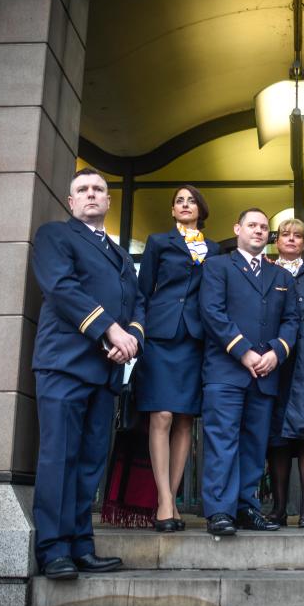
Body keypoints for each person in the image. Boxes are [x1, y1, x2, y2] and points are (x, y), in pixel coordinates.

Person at [31, 167, 144, 579]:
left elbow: (137, 304)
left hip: (104, 372)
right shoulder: (54, 236)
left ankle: (81, 545)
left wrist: (130, 335)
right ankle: (53, 550)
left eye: (99, 189)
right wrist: (109, 329)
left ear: (109, 201)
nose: (92, 194)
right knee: (59, 458)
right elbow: (61, 288)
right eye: (83, 189)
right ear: (71, 201)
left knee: (89, 463)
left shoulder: (117, 253)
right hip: (64, 364)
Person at [199, 208, 299, 536]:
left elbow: (292, 320)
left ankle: (246, 507)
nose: (258, 231)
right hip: (226, 371)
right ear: (237, 228)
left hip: (266, 373)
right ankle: (219, 512)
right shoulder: (217, 266)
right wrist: (244, 352)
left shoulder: (281, 277)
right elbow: (212, 313)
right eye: (252, 225)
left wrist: (276, 352)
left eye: (263, 227)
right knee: (222, 441)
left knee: (255, 445)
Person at [131, 185, 219, 532]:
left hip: (195, 340)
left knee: (184, 419)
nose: (185, 205)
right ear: (172, 211)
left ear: (201, 209)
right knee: (161, 415)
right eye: (179, 201)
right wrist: (138, 331)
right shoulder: (158, 243)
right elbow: (143, 291)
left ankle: (171, 499)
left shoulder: (213, 249)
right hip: (160, 337)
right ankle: (164, 500)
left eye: (191, 200)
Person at [266, 218, 304, 527]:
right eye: (285, 235)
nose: (291, 239)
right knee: (276, 438)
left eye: (298, 236)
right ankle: (278, 509)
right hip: (275, 364)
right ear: (276, 241)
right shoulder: (265, 272)